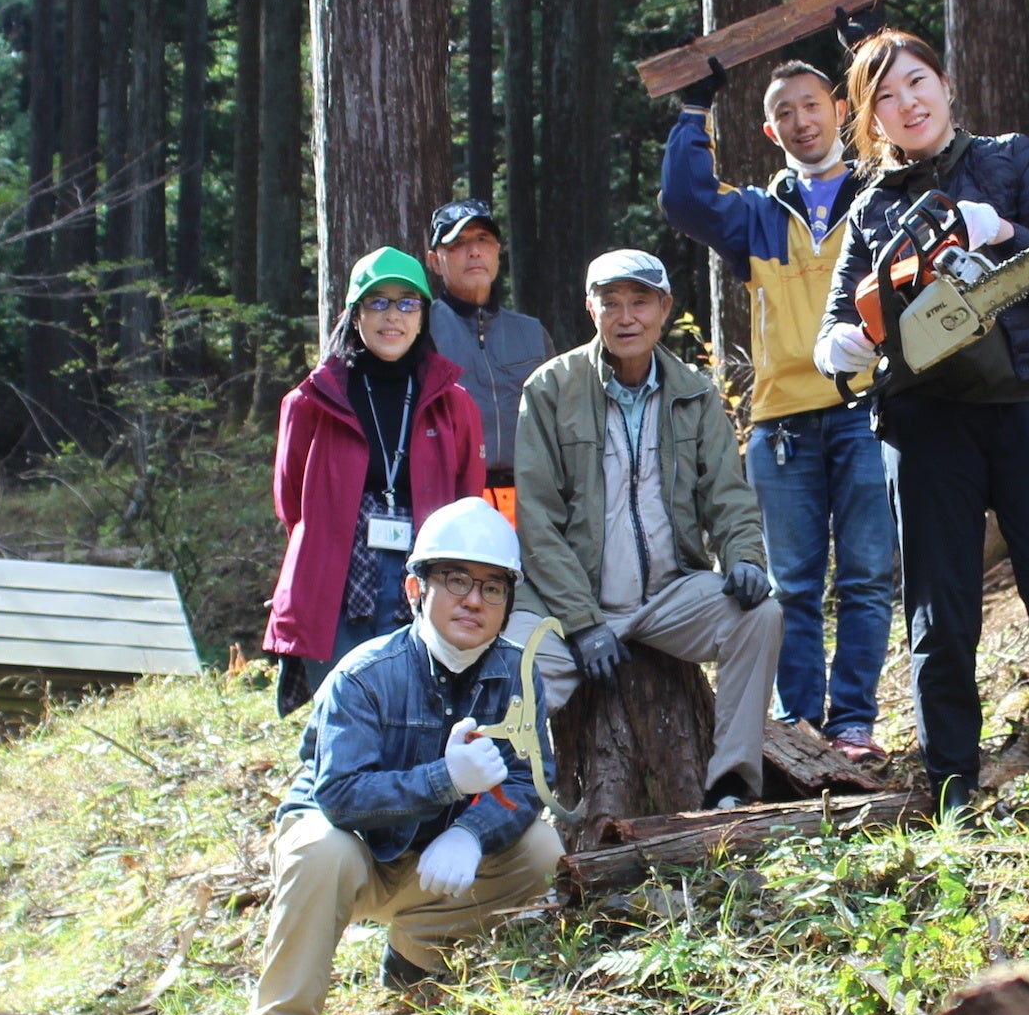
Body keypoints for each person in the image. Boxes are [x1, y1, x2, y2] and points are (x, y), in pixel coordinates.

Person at [815, 30, 1029, 818]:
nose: (908, 103)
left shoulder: (1014, 161)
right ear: (870, 117)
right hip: (925, 420)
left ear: (947, 84)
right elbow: (833, 332)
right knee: (939, 613)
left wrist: (1000, 234)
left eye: (917, 82)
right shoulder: (870, 212)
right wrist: (841, 345)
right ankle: (952, 786)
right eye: (886, 96)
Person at [249, 497, 561, 1015]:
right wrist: (445, 779)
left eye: (492, 587)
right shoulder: (366, 674)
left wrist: (471, 832)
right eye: (457, 580)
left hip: (437, 855)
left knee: (540, 852)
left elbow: (526, 781)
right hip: (354, 852)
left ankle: (416, 958)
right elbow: (339, 795)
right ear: (418, 589)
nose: (474, 600)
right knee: (320, 848)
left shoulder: (517, 674)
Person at [659, 57, 894, 762]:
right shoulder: (759, 215)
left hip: (868, 411)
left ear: (839, 111)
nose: (800, 119)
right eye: (784, 112)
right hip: (784, 423)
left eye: (812, 104)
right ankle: (799, 724)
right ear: (770, 129)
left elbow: (921, 150)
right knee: (791, 585)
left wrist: (875, 60)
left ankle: (852, 723)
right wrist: (693, 113)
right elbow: (686, 199)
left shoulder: (878, 193)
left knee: (865, 576)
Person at [510, 249, 784, 809]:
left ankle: (730, 784)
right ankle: (511, 811)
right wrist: (584, 624)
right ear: (592, 311)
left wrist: (746, 559)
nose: (626, 317)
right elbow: (537, 524)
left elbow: (728, 499)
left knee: (761, 615)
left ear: (664, 308)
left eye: (640, 302)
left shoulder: (696, 395)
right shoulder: (549, 390)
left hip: (669, 595)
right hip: (573, 609)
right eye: (611, 303)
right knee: (508, 670)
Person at [264, 249, 487, 714]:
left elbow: (468, 499)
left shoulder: (455, 404)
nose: (393, 316)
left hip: (425, 572)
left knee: (416, 713)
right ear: (354, 313)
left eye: (407, 303)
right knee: (341, 714)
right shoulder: (311, 401)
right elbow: (292, 504)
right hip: (338, 575)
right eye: (378, 302)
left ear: (423, 315)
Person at [421, 199, 552, 517]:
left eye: (483, 240)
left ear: (497, 251)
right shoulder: (419, 333)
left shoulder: (532, 334)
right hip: (449, 503)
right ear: (435, 262)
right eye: (458, 244)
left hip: (530, 505)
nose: (474, 252)